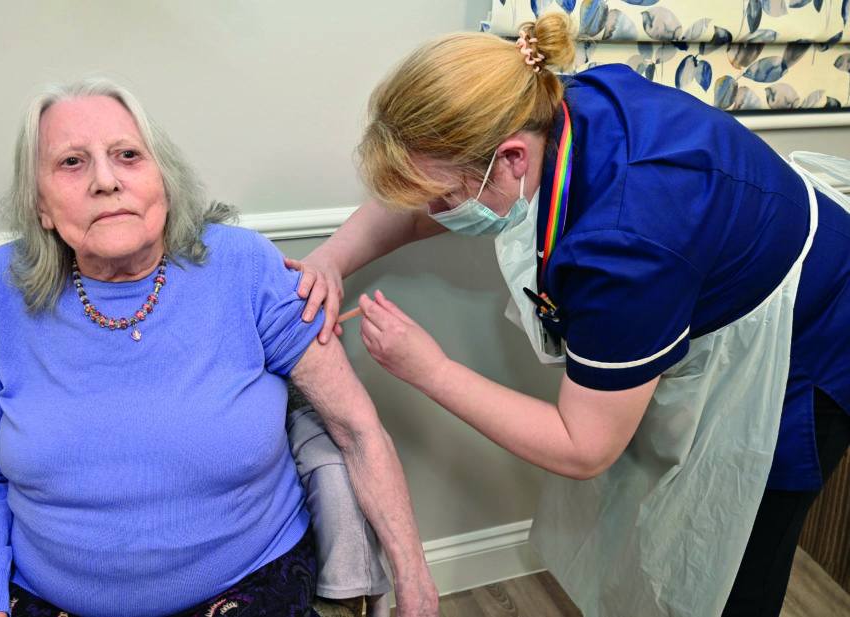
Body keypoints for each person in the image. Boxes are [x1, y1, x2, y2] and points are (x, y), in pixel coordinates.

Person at [285, 12, 850, 617]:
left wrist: (431, 370)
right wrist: (331, 260)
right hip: (718, 257)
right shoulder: (538, 104)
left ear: (511, 160)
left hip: (808, 341)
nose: (436, 214)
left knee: (741, 557)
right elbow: (420, 195)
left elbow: (584, 448)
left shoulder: (626, 244)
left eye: (447, 200)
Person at [0, 78, 439, 617]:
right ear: (40, 206)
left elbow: (357, 431)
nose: (106, 181)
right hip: (51, 598)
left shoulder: (243, 266)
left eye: (128, 156)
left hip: (247, 588)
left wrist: (415, 584)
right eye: (71, 163)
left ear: (165, 180)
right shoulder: (2, 287)